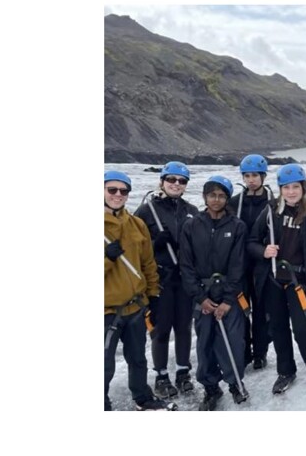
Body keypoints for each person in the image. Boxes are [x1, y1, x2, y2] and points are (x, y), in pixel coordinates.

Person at [248, 163, 306, 393]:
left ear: (303, 188)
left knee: (303, 329)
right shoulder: (271, 210)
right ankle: (285, 371)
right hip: (274, 279)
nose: (291, 192)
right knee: (278, 328)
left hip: (299, 282)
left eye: (295, 187)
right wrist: (263, 251)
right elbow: (251, 241)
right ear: (280, 189)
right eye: (286, 187)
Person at [179, 175, 250, 411]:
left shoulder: (237, 226)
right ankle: (210, 387)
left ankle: (235, 382)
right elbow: (186, 265)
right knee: (205, 343)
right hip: (203, 294)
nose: (216, 200)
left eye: (221, 196)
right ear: (205, 197)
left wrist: (228, 299)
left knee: (233, 341)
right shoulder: (191, 226)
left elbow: (238, 265)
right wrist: (200, 297)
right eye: (212, 195)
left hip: (228, 293)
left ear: (227, 199)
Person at [104, 170, 173, 411]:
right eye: (112, 190)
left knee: (137, 358)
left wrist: (153, 295)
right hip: (106, 310)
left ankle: (142, 397)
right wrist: (107, 259)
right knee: (103, 363)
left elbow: (148, 264)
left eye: (123, 191)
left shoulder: (136, 224)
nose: (118, 195)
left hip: (135, 306)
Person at [134, 161, 199, 398]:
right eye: (171, 179)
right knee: (161, 330)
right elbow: (134, 248)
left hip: (184, 279)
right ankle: (161, 376)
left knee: (183, 327)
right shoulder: (146, 211)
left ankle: (183, 372)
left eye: (181, 181)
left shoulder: (192, 210)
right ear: (162, 181)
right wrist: (155, 244)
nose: (176, 184)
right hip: (160, 278)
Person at [229, 153, 275, 371]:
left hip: (263, 264)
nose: (251, 180)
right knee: (241, 308)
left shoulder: (273, 203)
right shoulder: (234, 203)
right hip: (239, 264)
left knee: (261, 310)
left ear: (263, 176)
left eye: (255, 175)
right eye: (247, 176)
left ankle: (260, 352)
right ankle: (244, 351)